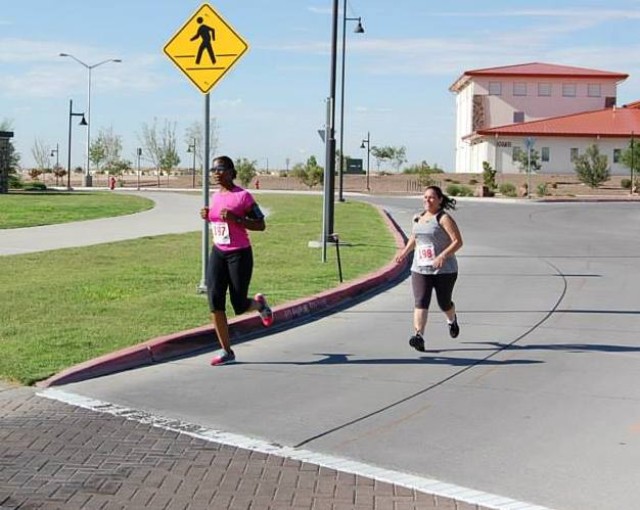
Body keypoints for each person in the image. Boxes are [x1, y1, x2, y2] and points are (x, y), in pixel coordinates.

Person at [199, 155, 273, 366]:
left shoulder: (244, 197)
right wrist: (207, 214)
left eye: (220, 169)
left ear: (231, 172)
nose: (216, 173)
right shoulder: (215, 196)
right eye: (213, 170)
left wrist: (237, 219)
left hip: (239, 254)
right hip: (218, 252)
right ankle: (226, 351)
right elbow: (217, 221)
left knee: (239, 305)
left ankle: (259, 305)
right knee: (215, 301)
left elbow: (260, 224)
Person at [395, 185, 463, 352]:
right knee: (421, 302)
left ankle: (452, 319)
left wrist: (442, 256)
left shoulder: (443, 218)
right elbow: (415, 237)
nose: (427, 200)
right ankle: (419, 336)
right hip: (420, 268)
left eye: (431, 197)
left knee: (444, 302)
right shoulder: (417, 218)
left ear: (440, 200)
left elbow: (457, 242)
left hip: (444, 269)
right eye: (425, 197)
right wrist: (404, 253)